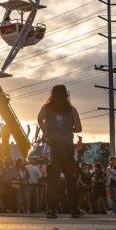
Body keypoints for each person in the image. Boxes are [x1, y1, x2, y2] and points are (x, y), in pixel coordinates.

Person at [36, 84, 82, 218]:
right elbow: (79, 128)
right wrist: (69, 129)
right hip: (67, 148)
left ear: (52, 95)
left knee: (52, 180)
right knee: (70, 179)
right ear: (66, 95)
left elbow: (39, 118)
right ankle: (74, 209)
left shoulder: (47, 108)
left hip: (52, 147)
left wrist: (46, 129)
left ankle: (50, 209)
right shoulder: (72, 109)